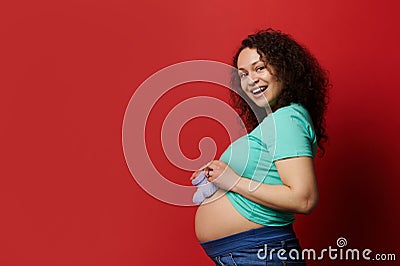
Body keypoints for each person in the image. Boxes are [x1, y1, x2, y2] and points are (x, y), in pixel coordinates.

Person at [190, 28, 330, 265]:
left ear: (285, 68)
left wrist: (233, 181)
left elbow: (303, 199)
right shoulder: (274, 123)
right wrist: (217, 178)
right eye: (243, 74)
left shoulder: (287, 119)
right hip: (251, 254)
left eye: (259, 68)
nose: (250, 80)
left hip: (262, 253)